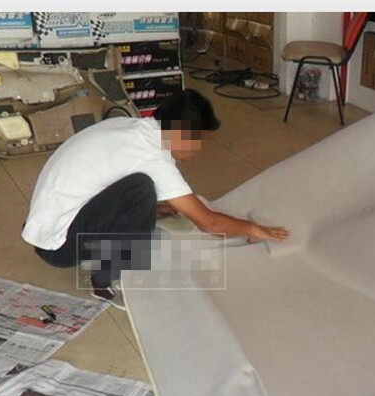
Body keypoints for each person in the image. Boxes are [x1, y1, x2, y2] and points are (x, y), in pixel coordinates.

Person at [21, 89, 288, 309]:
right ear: (182, 134)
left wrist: (155, 207)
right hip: (60, 248)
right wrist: (251, 228)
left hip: (47, 228)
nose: (199, 149)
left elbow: (105, 182)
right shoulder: (153, 155)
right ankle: (104, 281)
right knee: (141, 189)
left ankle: (106, 248)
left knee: (142, 192)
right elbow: (210, 224)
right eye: (199, 140)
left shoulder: (132, 127)